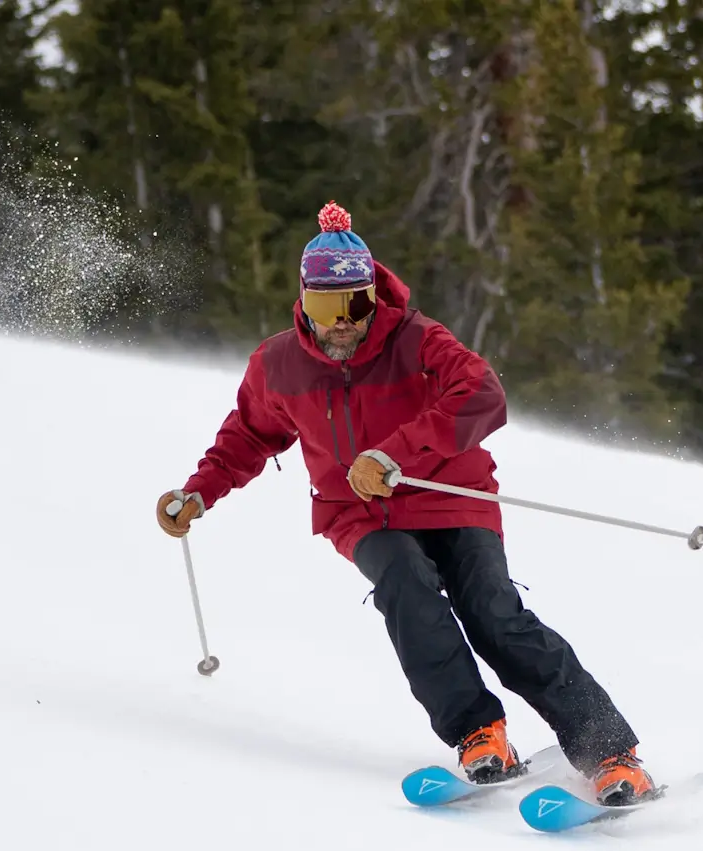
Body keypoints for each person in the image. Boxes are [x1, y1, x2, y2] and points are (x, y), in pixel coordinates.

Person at [156, 201, 656, 804]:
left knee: (494, 615)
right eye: (324, 307)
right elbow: (249, 434)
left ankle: (610, 753)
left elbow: (483, 393)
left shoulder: (416, 340)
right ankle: (479, 733)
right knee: (405, 586)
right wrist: (198, 491)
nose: (342, 323)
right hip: (359, 513)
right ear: (303, 302)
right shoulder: (278, 364)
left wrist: (396, 456)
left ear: (374, 297)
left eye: (356, 306)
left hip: (452, 494)